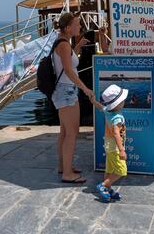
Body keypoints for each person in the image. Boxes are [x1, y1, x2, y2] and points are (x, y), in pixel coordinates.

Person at [52, 12, 94, 184]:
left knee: (65, 132)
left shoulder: (64, 43)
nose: (80, 27)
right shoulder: (63, 44)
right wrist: (85, 89)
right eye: (77, 24)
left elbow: (67, 62)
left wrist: (77, 47)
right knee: (71, 134)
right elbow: (69, 71)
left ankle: (63, 166)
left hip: (64, 90)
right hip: (67, 91)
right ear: (68, 28)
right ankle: (67, 173)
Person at [89, 84, 128, 202]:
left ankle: (108, 189)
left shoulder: (108, 111)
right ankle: (103, 186)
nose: (124, 102)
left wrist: (93, 101)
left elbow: (101, 107)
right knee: (121, 170)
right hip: (115, 147)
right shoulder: (117, 118)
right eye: (122, 101)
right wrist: (121, 150)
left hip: (108, 145)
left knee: (110, 169)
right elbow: (116, 134)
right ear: (117, 104)